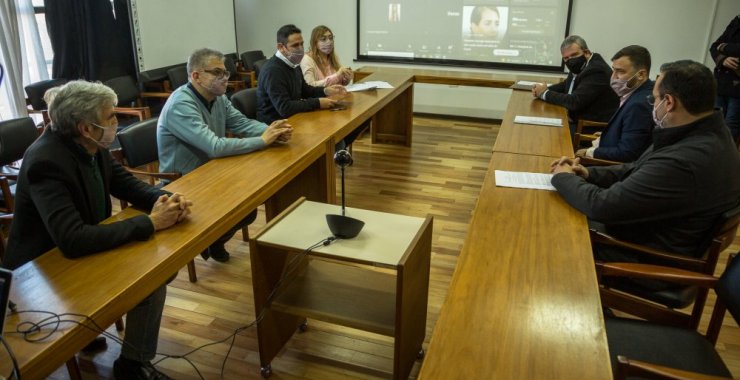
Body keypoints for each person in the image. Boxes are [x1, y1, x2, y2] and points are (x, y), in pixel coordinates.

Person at [2, 80, 193, 379]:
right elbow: (72, 239)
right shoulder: (45, 162)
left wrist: (166, 198)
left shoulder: (91, 145)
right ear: (85, 127)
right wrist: (152, 222)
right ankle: (132, 366)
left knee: (159, 269)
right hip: (43, 272)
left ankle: (119, 352)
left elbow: (124, 182)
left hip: (76, 250)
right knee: (151, 280)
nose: (117, 122)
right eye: (110, 117)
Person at [549, 60, 740, 280]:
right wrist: (588, 173)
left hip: (647, 258)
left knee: (554, 233)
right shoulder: (706, 133)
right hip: (651, 234)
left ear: (668, 102)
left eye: (654, 99)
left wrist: (563, 177)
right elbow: (637, 169)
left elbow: (602, 206)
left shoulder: (685, 160)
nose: (652, 103)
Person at [158, 48, 293, 263]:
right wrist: (262, 140)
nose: (225, 78)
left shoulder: (217, 97)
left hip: (212, 170)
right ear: (196, 76)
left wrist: (272, 131)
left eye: (226, 73)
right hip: (184, 182)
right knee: (243, 210)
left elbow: (241, 123)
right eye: (217, 73)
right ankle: (210, 240)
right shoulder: (180, 104)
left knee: (248, 210)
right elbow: (214, 146)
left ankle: (214, 241)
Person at [256, 24, 347, 125]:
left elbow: (305, 90)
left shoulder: (293, 63)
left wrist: (325, 91)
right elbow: (285, 108)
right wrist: (318, 103)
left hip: (293, 119)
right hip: (274, 126)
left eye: (301, 44)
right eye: (295, 45)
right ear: (281, 47)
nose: (300, 49)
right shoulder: (272, 71)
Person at [576, 45, 654, 162]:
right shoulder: (636, 92)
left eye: (620, 72)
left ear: (641, 75)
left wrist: (589, 152)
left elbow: (627, 153)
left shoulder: (639, 105)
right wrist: (607, 134)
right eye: (614, 70)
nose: (613, 77)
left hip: (608, 168)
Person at [532, 35, 619, 136]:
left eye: (574, 55)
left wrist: (544, 93)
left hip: (589, 128)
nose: (570, 60)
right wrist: (542, 90)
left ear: (586, 52)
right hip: (575, 119)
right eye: (566, 58)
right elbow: (566, 85)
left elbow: (574, 101)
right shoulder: (582, 65)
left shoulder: (596, 70)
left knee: (545, 134)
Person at [301, 25, 366, 149]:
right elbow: (309, 86)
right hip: (320, 105)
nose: (329, 42)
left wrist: (345, 78)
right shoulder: (307, 59)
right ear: (314, 42)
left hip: (335, 103)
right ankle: (336, 150)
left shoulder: (331, 58)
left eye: (331, 38)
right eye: (323, 39)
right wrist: (337, 75)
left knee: (363, 118)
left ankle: (339, 149)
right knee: (342, 132)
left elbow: (338, 83)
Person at [710, 14, 740, 142]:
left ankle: (722, 159)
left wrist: (724, 47)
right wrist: (723, 59)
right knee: (714, 122)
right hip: (722, 83)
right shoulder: (737, 20)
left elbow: (720, 46)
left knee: (730, 126)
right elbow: (713, 46)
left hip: (738, 89)